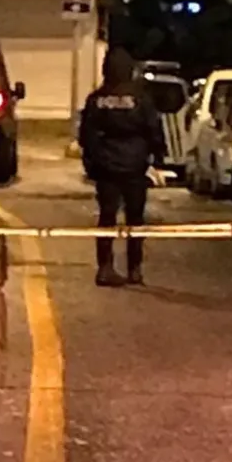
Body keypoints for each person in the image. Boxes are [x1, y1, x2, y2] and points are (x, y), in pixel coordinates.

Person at [80, 46, 167, 288]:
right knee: (135, 219)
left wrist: (92, 162)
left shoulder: (96, 99)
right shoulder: (141, 99)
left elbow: (87, 134)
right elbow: (154, 129)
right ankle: (134, 268)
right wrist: (158, 158)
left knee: (107, 218)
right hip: (135, 165)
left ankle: (105, 267)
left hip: (106, 166)